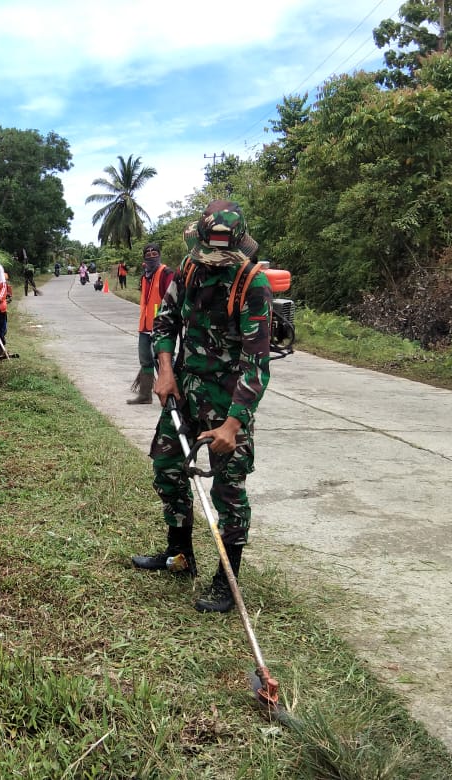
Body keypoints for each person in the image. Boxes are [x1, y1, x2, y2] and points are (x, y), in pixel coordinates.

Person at [131, 200, 272, 614]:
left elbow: (256, 365)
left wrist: (233, 424)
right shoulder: (188, 270)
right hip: (184, 392)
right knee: (167, 469)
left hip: (229, 402)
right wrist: (164, 370)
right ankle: (180, 555)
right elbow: (165, 323)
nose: (211, 262)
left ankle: (227, 581)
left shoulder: (252, 286)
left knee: (228, 491)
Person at [126, 243, 174, 405]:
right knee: (145, 360)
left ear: (160, 255)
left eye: (155, 253)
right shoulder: (145, 276)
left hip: (161, 327)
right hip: (145, 326)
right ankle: (145, 395)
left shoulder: (166, 273)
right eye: (148, 253)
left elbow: (171, 299)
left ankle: (173, 396)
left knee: (165, 362)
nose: (152, 255)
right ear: (144, 257)